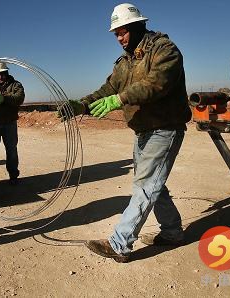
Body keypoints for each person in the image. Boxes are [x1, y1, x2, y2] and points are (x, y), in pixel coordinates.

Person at [59, 3, 192, 262]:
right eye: (116, 34)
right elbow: (107, 88)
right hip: (143, 130)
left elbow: (157, 84)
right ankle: (173, 232)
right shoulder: (125, 62)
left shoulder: (165, 50)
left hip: (165, 128)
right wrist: (81, 105)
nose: (119, 38)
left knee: (146, 186)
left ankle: (120, 243)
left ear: (137, 26)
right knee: (152, 184)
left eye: (123, 32)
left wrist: (119, 99)